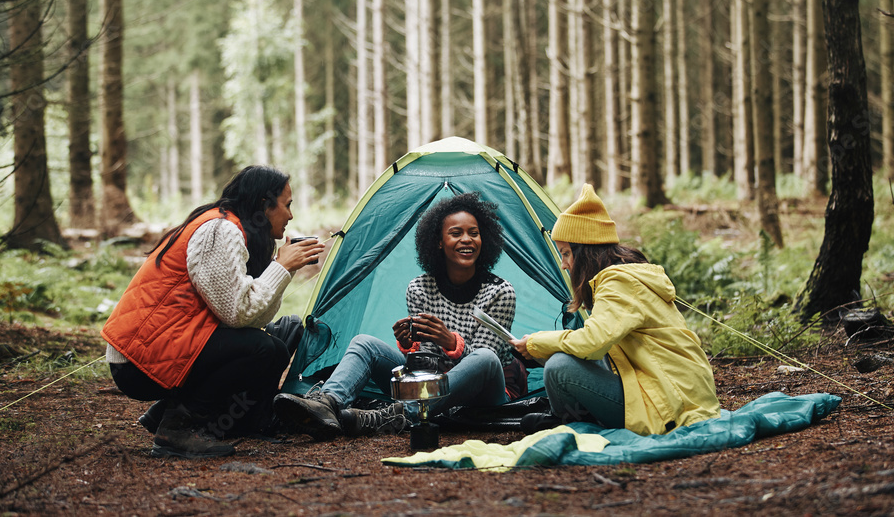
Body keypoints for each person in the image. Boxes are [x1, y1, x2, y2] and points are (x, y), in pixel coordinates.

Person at [101, 165, 328, 459]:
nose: (291, 215)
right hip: (137, 361)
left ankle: (171, 414)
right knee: (264, 349)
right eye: (287, 205)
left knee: (278, 338)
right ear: (264, 204)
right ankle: (177, 428)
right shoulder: (220, 231)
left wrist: (281, 269)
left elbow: (257, 318)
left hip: (161, 346)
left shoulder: (229, 228)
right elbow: (239, 313)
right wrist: (281, 267)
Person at [274, 192, 521, 440]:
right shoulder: (420, 288)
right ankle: (327, 403)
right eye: (456, 233)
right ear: (438, 241)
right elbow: (426, 369)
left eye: (474, 233)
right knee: (364, 343)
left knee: (486, 358)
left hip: (486, 395)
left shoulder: (500, 292)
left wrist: (450, 342)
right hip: (433, 388)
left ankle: (401, 415)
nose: (466, 240)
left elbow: (484, 369)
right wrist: (409, 347)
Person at [512, 184, 720, 435]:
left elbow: (593, 342)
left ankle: (573, 425)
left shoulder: (619, 283)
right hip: (665, 388)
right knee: (565, 356)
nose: (564, 265)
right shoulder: (623, 277)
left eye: (566, 254)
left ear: (585, 251)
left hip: (669, 401)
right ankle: (572, 420)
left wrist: (536, 342)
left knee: (559, 367)